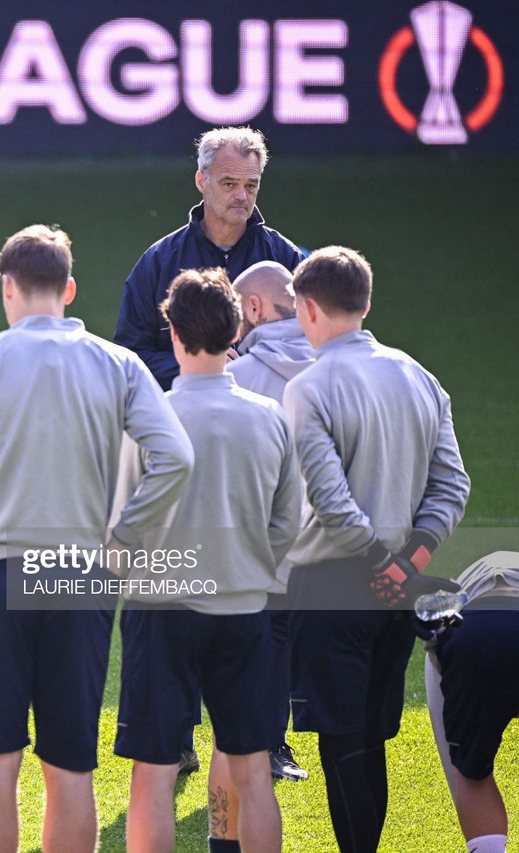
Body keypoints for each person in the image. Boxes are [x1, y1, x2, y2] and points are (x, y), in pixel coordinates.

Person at [0, 225, 193, 852]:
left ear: (7, 287)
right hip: (79, 573)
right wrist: (124, 541)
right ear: (69, 288)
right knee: (70, 765)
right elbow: (175, 456)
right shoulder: (117, 363)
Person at [282, 246, 470, 853]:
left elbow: (331, 502)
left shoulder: (308, 387)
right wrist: (408, 564)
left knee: (341, 739)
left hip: (332, 585)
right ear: (365, 302)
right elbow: (453, 484)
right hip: (399, 588)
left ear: (306, 307)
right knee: (373, 734)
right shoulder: (420, 375)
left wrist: (378, 563)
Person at [112, 269, 299, 853]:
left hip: (161, 611)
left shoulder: (149, 420)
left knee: (154, 775)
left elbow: (119, 530)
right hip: (244, 609)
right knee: (252, 771)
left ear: (172, 331)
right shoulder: (270, 417)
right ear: (237, 325)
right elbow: (286, 523)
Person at [115, 126, 305, 391]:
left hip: (269, 422)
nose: (242, 196)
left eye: (251, 185)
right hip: (184, 423)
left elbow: (315, 346)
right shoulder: (158, 261)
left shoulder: (285, 258)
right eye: (229, 184)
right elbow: (128, 358)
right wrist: (202, 365)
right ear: (201, 181)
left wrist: (252, 368)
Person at [228, 260, 315, 783]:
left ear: (255, 309)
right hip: (328, 545)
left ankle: (240, 744)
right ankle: (277, 745)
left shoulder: (235, 376)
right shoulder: (335, 368)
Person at [424, 551, 519, 853]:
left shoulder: (451, 610)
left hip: (473, 632)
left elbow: (454, 756)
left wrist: (465, 763)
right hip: (472, 626)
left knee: (470, 772)